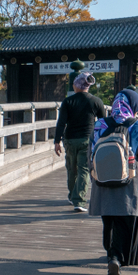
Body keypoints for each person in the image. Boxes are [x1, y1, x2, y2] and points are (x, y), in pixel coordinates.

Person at [90, 90, 138, 275]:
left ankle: (111, 253)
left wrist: (94, 177)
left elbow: (90, 153)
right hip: (131, 180)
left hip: (103, 179)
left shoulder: (99, 124)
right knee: (126, 220)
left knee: (108, 220)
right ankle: (117, 257)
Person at [54, 71, 106, 213]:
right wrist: (101, 140)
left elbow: (61, 123)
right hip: (87, 140)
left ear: (77, 85)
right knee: (83, 169)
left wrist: (57, 141)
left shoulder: (68, 101)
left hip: (70, 139)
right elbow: (103, 123)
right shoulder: (96, 101)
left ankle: (72, 195)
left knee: (72, 168)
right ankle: (79, 200)